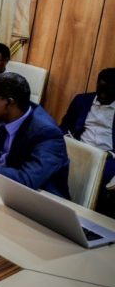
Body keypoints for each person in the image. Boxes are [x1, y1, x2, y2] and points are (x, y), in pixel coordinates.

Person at [61, 68, 115, 215]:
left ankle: (90, 215)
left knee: (102, 178)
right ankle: (62, 205)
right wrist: (68, 138)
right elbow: (65, 126)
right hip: (81, 148)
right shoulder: (82, 100)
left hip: (108, 155)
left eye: (108, 92)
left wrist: (110, 154)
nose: (102, 96)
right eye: (100, 90)